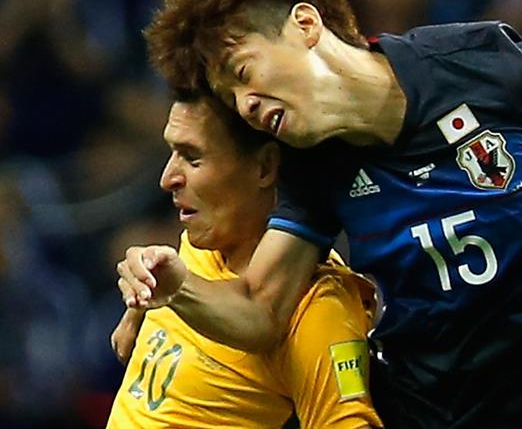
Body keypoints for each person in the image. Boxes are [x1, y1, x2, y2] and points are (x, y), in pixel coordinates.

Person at [116, 0, 522, 429]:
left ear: (305, 25)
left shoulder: (495, 68)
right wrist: (175, 290)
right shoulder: (313, 165)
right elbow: (260, 308)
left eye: (243, 71)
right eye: (231, 97)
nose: (246, 104)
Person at [107, 94, 382, 428]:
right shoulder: (203, 245)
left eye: (192, 158)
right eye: (172, 152)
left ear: (265, 167)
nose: (167, 179)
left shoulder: (318, 311)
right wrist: (142, 301)